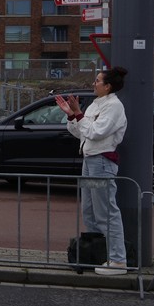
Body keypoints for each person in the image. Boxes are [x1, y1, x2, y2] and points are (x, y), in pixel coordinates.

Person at [57, 66, 130, 276]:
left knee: (106, 210)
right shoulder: (96, 104)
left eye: (97, 81)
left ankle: (118, 260)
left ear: (108, 86)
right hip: (89, 160)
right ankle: (97, 252)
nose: (93, 84)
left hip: (102, 161)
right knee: (89, 210)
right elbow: (82, 132)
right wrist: (72, 116)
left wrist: (79, 114)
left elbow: (96, 132)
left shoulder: (114, 106)